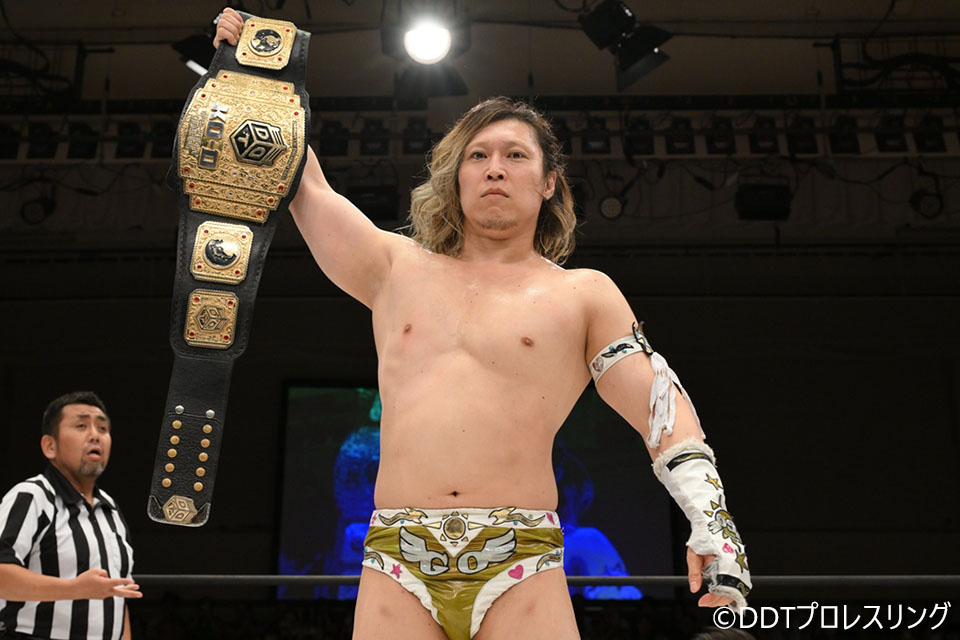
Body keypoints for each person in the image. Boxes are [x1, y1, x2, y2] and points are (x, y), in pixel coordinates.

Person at [214, 10, 751, 640]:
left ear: (549, 183)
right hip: (397, 555)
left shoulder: (582, 294)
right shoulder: (393, 268)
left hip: (521, 557)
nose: (495, 168)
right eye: (478, 155)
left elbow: (661, 409)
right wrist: (254, 73)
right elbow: (305, 184)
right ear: (458, 177)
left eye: (515, 155)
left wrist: (713, 524)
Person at [0, 392, 141, 640]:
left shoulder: (110, 509)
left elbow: (119, 597)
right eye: (81, 426)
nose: (95, 435)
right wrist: (75, 589)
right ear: (50, 446)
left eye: (103, 428)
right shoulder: (32, 496)